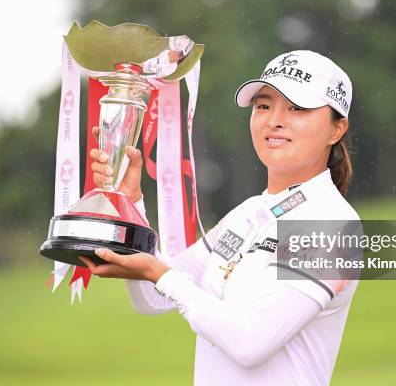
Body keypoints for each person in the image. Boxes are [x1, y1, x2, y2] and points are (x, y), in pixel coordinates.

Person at [80, 50, 360, 386]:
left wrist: (159, 272)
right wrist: (131, 205)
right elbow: (152, 298)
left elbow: (250, 342)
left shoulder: (330, 222)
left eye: (297, 108)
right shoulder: (246, 214)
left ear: (336, 129)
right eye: (263, 105)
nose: (275, 120)